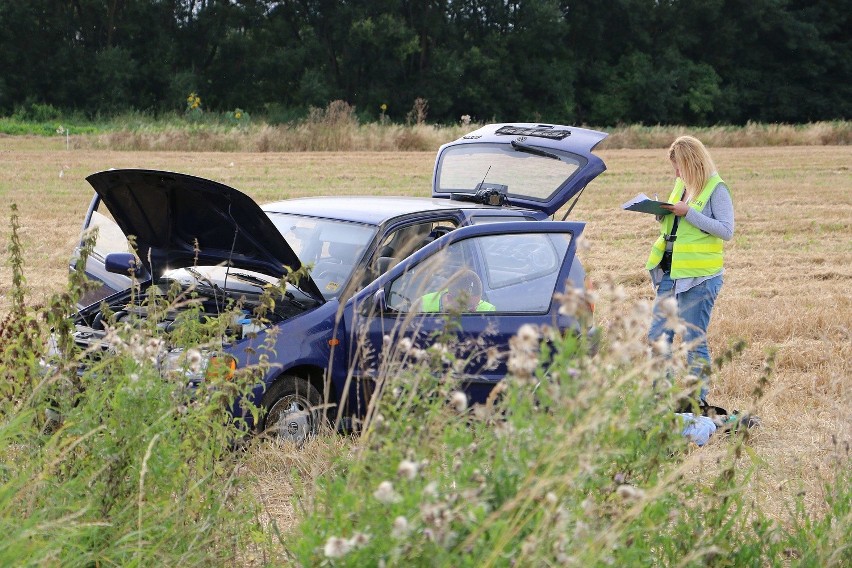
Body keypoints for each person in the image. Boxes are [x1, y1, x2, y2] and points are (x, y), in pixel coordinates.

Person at [647, 136, 734, 403]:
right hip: (670, 274)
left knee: (693, 340)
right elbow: (677, 226)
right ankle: (660, 399)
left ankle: (697, 402)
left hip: (699, 279)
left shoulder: (716, 189)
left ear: (692, 162)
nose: (675, 173)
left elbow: (726, 230)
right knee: (657, 337)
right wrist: (662, 214)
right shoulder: (680, 185)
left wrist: (688, 213)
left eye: (679, 167)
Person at [418, 268, 496, 313]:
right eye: (468, 306)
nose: (474, 310)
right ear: (449, 298)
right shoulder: (422, 304)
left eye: (477, 304)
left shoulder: (488, 310)